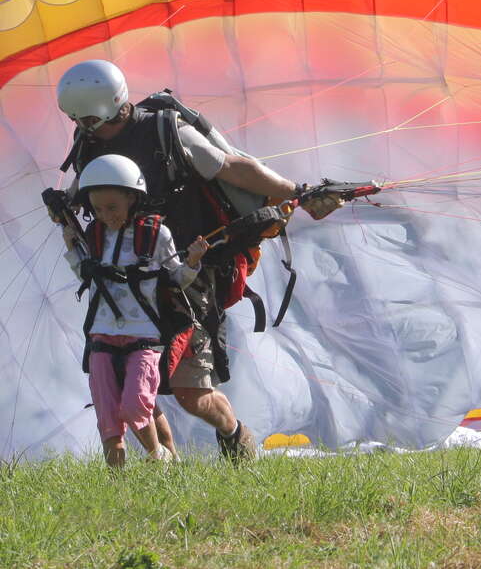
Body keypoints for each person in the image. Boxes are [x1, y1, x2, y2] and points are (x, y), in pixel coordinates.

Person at [55, 59, 342, 461]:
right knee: (125, 377)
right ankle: (166, 468)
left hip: (186, 273)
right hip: (125, 280)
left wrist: (299, 193)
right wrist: (64, 205)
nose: (87, 128)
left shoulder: (165, 130)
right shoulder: (89, 142)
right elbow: (87, 191)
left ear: (118, 106)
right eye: (79, 121)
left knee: (190, 390)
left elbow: (232, 167)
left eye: (92, 120)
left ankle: (235, 434)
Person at [62, 153, 209, 468]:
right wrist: (72, 247)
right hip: (101, 333)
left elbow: (176, 279)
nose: (106, 215)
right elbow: (86, 276)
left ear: (132, 198)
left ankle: (160, 459)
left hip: (143, 334)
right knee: (107, 414)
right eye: (98, 209)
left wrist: (193, 262)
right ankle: (117, 487)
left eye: (112, 207)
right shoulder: (96, 237)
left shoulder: (156, 235)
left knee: (135, 404)